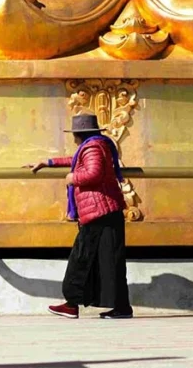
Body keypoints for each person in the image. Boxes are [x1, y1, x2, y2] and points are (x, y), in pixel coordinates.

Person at [26, 114, 132, 319]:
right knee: (110, 260)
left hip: (99, 212)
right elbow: (76, 161)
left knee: (82, 258)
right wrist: (48, 162)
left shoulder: (92, 147)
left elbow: (93, 173)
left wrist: (72, 178)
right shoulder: (96, 145)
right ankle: (119, 307)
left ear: (79, 134)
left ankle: (72, 304)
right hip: (104, 211)